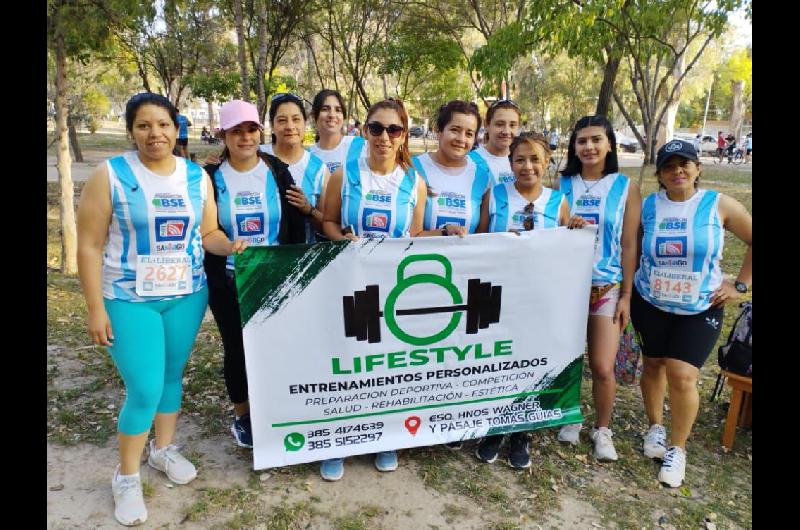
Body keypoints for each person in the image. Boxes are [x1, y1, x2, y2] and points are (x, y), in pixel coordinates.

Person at [76, 93, 246, 526]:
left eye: (164, 125)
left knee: (171, 376)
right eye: (144, 126)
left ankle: (163, 450)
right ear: (132, 130)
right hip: (129, 299)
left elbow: (208, 231)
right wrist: (96, 308)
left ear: (177, 128)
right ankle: (127, 476)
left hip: (187, 296)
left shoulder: (195, 178)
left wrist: (229, 245)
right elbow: (90, 245)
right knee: (145, 388)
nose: (155, 134)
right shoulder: (110, 176)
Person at [631, 139, 751, 488]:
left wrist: (740, 285)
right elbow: (630, 246)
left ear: (698, 168)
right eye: (669, 166)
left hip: (699, 308)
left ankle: (677, 448)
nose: (677, 171)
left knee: (682, 376)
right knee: (653, 365)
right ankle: (655, 427)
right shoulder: (649, 206)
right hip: (650, 301)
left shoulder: (718, 205)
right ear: (660, 174)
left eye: (685, 164)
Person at [321, 98, 427, 480]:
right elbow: (328, 222)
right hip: (348, 282)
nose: (384, 136)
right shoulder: (342, 175)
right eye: (376, 128)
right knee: (346, 361)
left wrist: (448, 234)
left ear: (403, 136)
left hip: (394, 288)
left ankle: (386, 436)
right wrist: (342, 240)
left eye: (394, 129)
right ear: (364, 131)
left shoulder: (415, 182)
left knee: (386, 365)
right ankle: (338, 440)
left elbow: (414, 235)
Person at [202, 99, 308, 451]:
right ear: (224, 135)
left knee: (277, 347)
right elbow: (208, 230)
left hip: (275, 278)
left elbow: (295, 218)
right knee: (237, 349)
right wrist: (230, 248)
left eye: (251, 129)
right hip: (229, 280)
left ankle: (276, 409)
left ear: (259, 132)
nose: (245, 137)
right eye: (236, 131)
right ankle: (244, 416)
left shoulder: (277, 170)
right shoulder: (211, 177)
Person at [473, 133, 570, 469]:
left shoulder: (558, 203)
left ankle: (523, 431)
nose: (527, 166)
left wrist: (576, 231)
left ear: (546, 163)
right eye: (520, 159)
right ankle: (495, 429)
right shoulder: (496, 195)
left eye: (535, 160)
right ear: (510, 162)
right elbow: (480, 240)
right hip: (498, 295)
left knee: (531, 364)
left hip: (540, 297)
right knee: (499, 363)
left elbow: (567, 249)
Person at [556, 115, 642, 462]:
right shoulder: (561, 184)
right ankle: (570, 415)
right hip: (566, 283)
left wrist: (626, 296)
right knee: (569, 358)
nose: (588, 147)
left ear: (610, 144)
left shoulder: (625, 187)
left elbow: (628, 245)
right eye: (581, 141)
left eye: (596, 139)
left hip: (606, 285)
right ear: (574, 147)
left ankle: (602, 429)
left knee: (603, 366)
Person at [411, 100, 490, 239]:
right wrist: (445, 232)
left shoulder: (482, 177)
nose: (461, 139)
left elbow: (481, 239)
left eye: (469, 134)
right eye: (455, 130)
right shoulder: (413, 168)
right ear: (438, 131)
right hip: (420, 259)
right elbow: (408, 236)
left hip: (465, 260)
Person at [258, 93, 327, 243]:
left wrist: (309, 209)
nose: (290, 126)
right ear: (272, 125)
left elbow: (328, 226)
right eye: (282, 120)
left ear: (305, 123)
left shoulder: (318, 169)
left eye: (296, 119)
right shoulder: (256, 156)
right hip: (254, 258)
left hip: (301, 259)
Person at [308, 89, 366, 177]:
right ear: (313, 115)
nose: (332, 115)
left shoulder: (360, 146)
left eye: (338, 110)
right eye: (325, 109)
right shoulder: (307, 156)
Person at [469, 100, 521, 186]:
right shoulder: (470, 161)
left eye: (512, 125)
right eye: (499, 124)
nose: (506, 131)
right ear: (486, 125)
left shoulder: (524, 161)